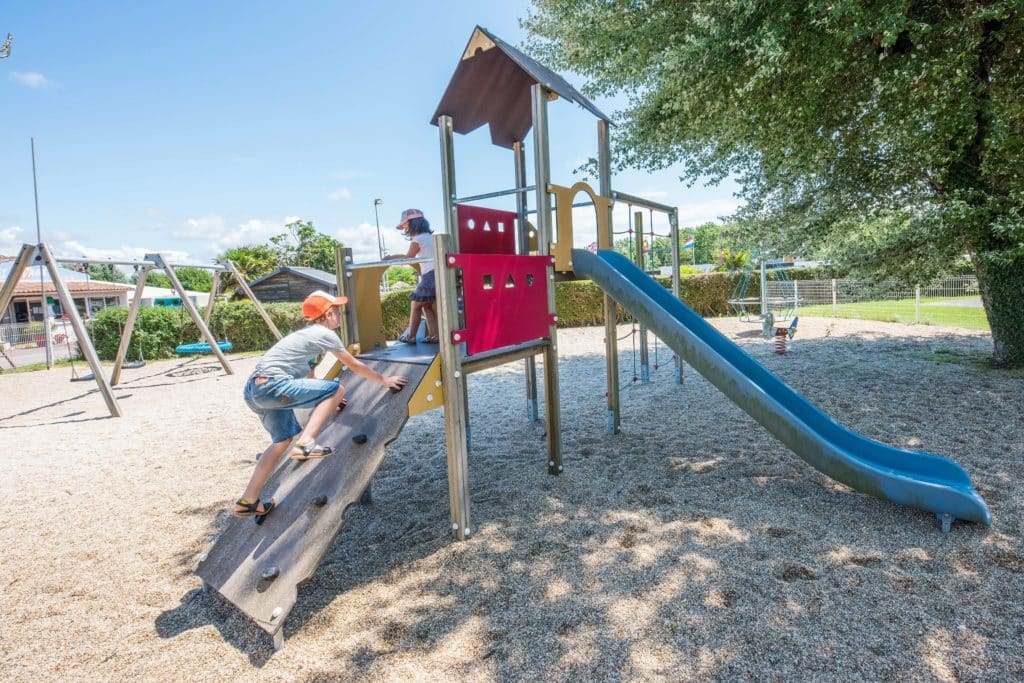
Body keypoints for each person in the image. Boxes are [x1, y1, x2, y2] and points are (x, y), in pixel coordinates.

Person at [234, 290, 408, 520]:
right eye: (336, 311)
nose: (338, 315)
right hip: (273, 386)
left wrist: (329, 402)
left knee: (282, 441)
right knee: (336, 388)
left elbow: (310, 380)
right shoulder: (323, 334)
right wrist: (384, 380)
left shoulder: (304, 339)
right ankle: (306, 443)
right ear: (327, 314)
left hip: (255, 390)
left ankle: (248, 500)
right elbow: (353, 365)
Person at [384, 208, 438, 344]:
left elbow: (408, 259)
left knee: (415, 305)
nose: (404, 229)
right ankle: (435, 335)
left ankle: (411, 336)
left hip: (429, 276)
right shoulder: (431, 238)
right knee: (426, 306)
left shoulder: (418, 239)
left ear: (414, 224)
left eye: (405, 225)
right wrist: (393, 257)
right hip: (438, 275)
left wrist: (391, 258)